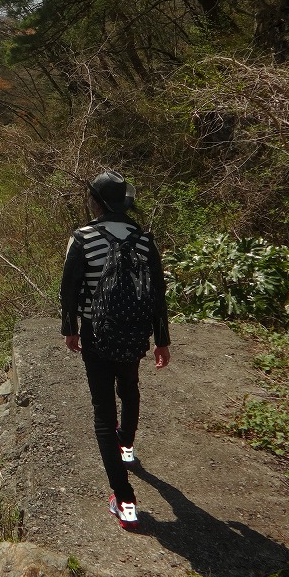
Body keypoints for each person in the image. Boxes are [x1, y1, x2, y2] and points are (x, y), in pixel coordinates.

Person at [60, 169, 171, 530]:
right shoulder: (143, 239)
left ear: (95, 202)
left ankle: (124, 501)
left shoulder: (83, 238)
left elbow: (69, 289)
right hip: (135, 332)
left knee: (102, 412)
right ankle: (127, 447)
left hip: (97, 332)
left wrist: (71, 329)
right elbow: (156, 294)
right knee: (130, 387)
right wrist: (161, 339)